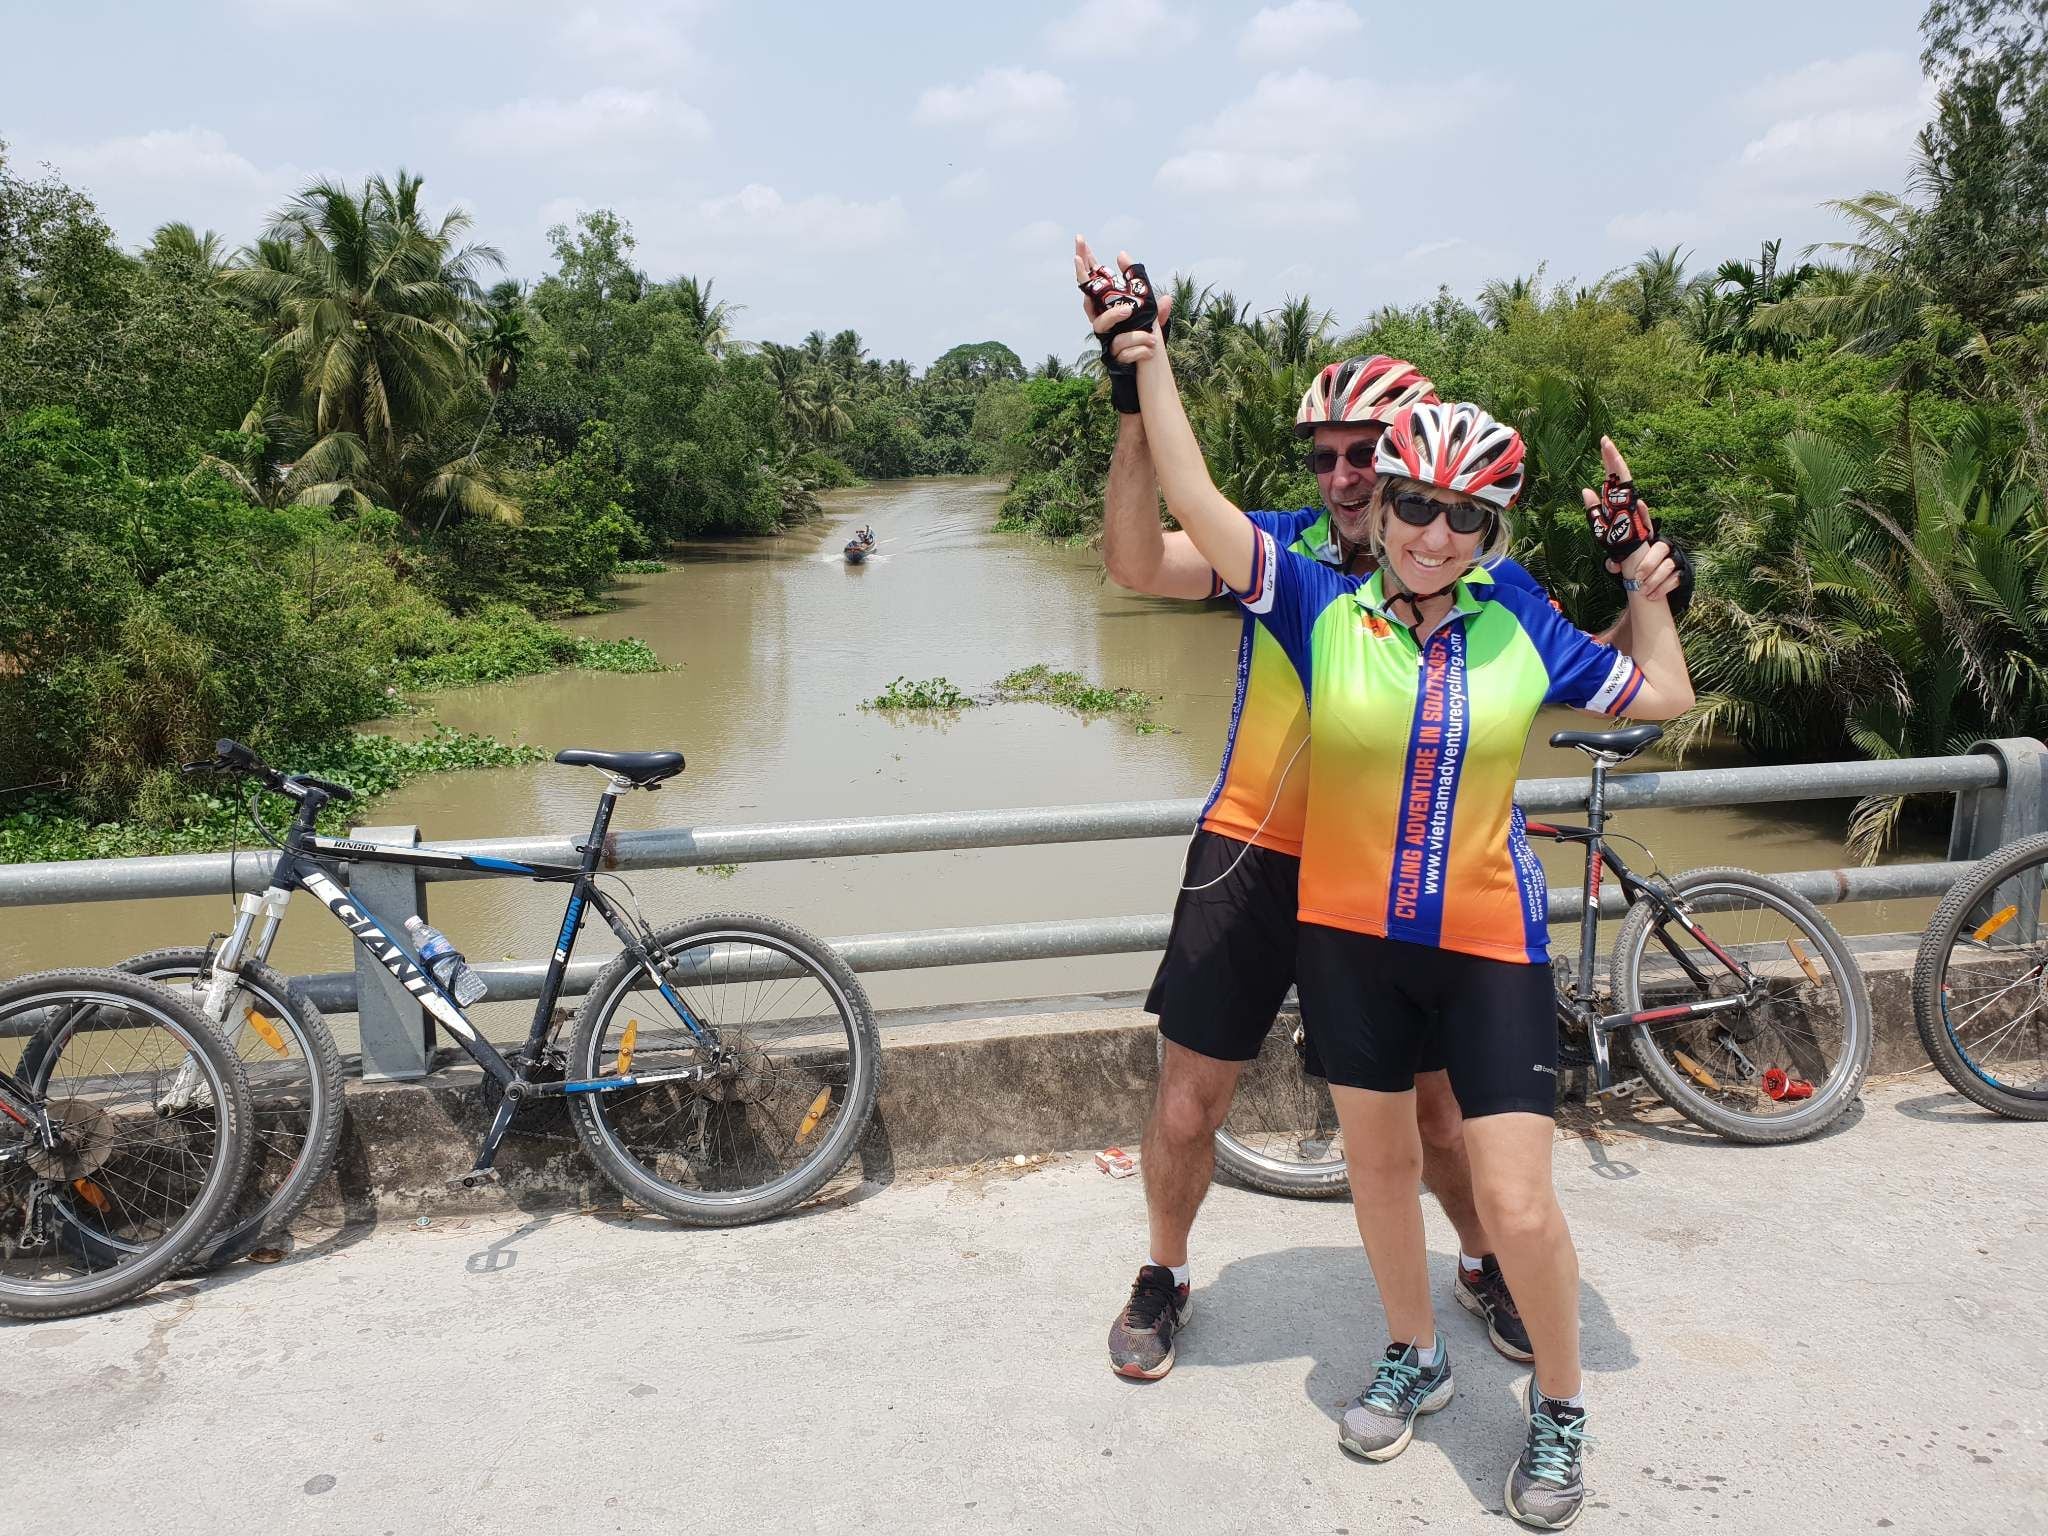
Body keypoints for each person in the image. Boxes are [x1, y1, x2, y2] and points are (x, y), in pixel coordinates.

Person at [1094, 246, 1694, 1530]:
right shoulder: (1302, 581)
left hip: (1455, 916)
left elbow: (1654, 696)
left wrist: (1644, 586)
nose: (1371, 492)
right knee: (1278, 1137)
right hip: (1301, 891)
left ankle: (1518, 1336)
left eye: (1384, 464)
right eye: (1340, 465)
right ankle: (1234, 1295)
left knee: (1474, 1162)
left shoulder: (1506, 605)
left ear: (1470, 507)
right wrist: (1136, 369)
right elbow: (1158, 542)